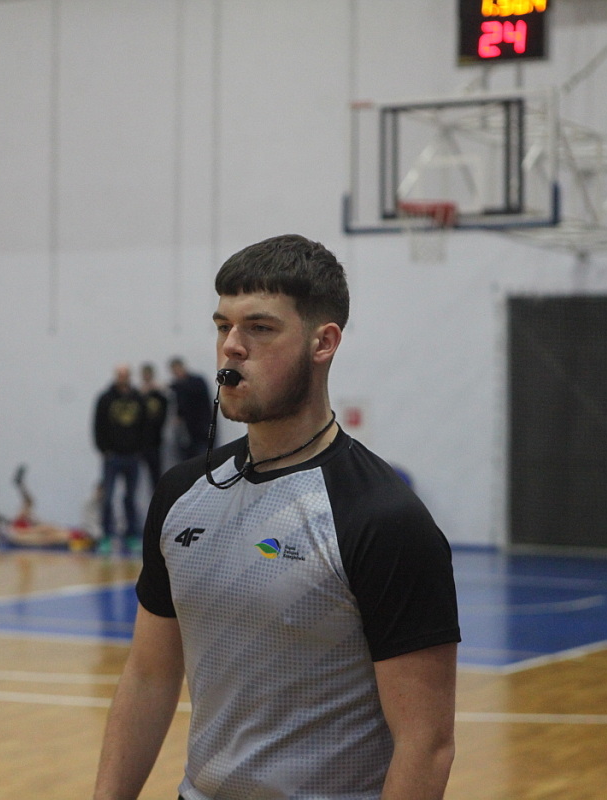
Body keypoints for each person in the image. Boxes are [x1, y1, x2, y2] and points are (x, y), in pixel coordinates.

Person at [94, 234, 461, 800]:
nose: (231, 347)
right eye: (223, 326)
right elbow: (149, 675)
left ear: (323, 342)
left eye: (260, 328)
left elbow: (426, 744)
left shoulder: (383, 518)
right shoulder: (181, 493)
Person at [92, 364, 145, 552]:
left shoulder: (138, 398)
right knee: (107, 498)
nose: (123, 377)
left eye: (126, 374)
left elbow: (145, 425)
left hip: (132, 456)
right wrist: (103, 449)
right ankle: (106, 535)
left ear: (130, 376)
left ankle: (131, 535)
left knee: (130, 498)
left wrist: (140, 449)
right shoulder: (105, 398)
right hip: (112, 456)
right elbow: (98, 425)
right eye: (120, 374)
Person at [168, 356, 211, 460]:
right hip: (186, 432)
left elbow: (193, 395)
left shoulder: (196, 382)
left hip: (201, 430)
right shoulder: (178, 387)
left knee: (202, 461)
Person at [137, 362, 169, 493]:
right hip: (139, 440)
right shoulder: (137, 395)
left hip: (155, 440)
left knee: (156, 473)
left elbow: (165, 412)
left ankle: (157, 497)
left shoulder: (159, 394)